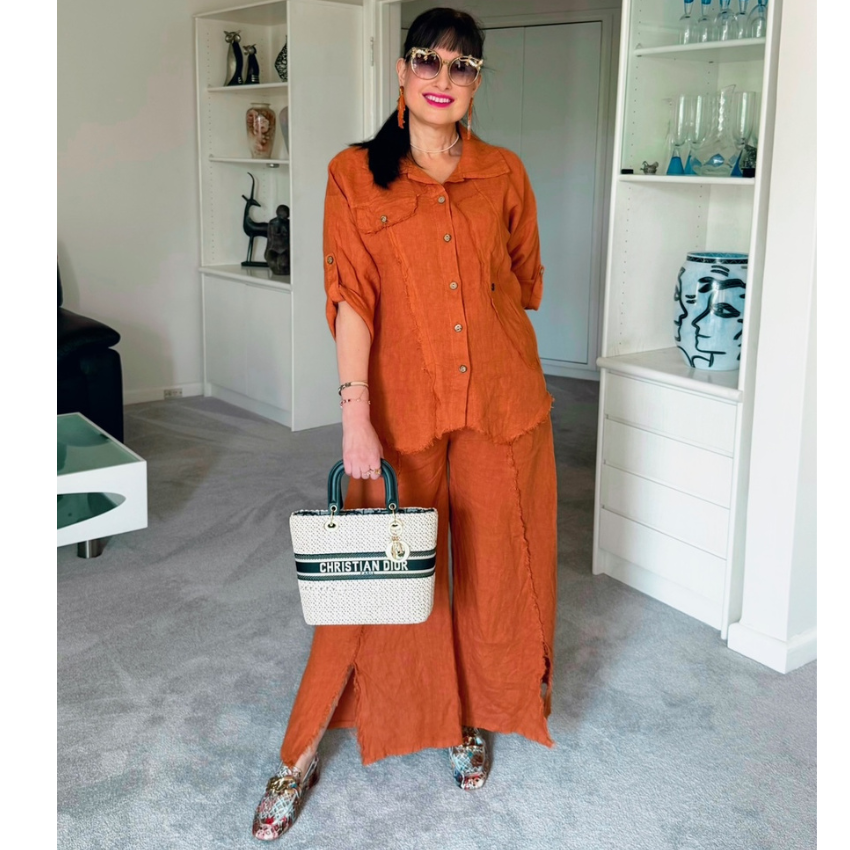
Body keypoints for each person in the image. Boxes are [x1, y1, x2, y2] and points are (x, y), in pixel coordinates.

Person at [252, 7, 558, 841]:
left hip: (500, 406)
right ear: (401, 69)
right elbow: (351, 298)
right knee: (372, 583)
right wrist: (355, 416)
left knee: (491, 573)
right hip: (399, 412)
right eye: (428, 59)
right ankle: (297, 754)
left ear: (477, 80)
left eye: (462, 66)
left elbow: (523, 281)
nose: (443, 78)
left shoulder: (504, 173)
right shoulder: (354, 175)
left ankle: (462, 718)